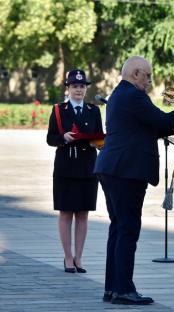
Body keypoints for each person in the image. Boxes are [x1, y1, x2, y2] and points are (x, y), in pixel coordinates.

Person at [94, 56, 174, 305]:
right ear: (136, 73)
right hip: (126, 172)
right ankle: (123, 289)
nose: (150, 81)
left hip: (114, 169)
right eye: (148, 76)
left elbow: (155, 126)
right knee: (127, 230)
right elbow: (162, 121)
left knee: (118, 229)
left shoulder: (121, 93)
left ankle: (113, 287)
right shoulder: (133, 95)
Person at [46, 69, 103, 274]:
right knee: (66, 212)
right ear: (68, 89)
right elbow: (50, 138)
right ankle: (68, 257)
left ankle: (79, 257)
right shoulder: (59, 110)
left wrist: (100, 144)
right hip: (66, 166)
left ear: (86, 89)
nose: (78, 89)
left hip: (88, 166)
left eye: (82, 86)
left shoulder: (93, 110)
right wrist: (64, 138)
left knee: (83, 213)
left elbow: (98, 137)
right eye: (74, 86)